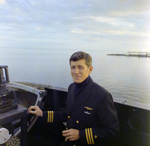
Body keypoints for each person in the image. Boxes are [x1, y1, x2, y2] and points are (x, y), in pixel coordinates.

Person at [28, 51, 120, 146]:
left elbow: (112, 132)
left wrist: (80, 134)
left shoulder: (102, 95)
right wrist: (42, 113)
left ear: (90, 69)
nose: (76, 72)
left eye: (80, 67)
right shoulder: (71, 88)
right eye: (73, 67)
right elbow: (67, 113)